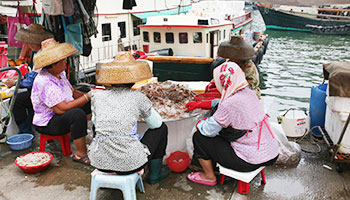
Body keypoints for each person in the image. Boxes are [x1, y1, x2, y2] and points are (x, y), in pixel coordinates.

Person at [186, 62, 279, 186]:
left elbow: (208, 130)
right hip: (271, 153)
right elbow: (220, 103)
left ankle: (209, 176)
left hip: (249, 160)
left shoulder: (229, 104)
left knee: (199, 137)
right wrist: (199, 104)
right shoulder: (249, 93)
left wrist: (200, 123)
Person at [88, 52, 169, 185]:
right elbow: (156, 124)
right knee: (162, 129)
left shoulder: (97, 96)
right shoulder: (138, 97)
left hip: (99, 161)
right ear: (134, 79)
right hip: (130, 164)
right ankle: (155, 174)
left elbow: (97, 123)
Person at [31, 38, 91, 165]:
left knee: (86, 99)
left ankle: (83, 134)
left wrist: (89, 95)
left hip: (58, 114)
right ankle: (80, 154)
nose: (65, 61)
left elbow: (72, 92)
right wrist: (87, 97)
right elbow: (62, 108)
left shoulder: (60, 73)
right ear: (52, 64)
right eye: (62, 60)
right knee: (77, 114)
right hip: (47, 123)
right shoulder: (44, 82)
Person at [5, 24, 54, 134]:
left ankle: (25, 131)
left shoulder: (42, 55)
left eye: (29, 42)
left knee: (17, 101)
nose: (27, 45)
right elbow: (34, 75)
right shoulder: (42, 52)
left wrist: (15, 82)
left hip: (46, 91)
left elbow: (31, 81)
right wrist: (21, 78)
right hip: (46, 88)